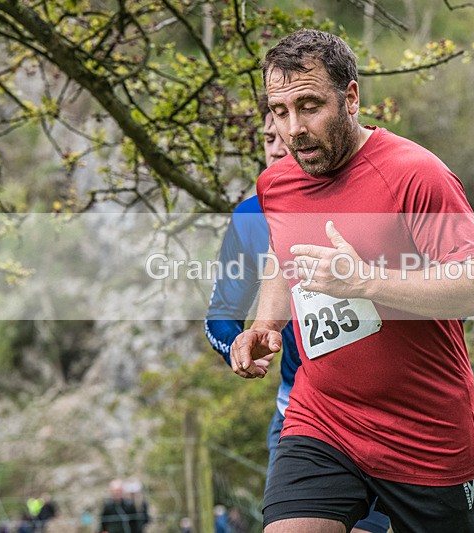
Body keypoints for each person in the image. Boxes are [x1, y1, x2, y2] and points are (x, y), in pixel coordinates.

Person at [231, 29, 474, 533]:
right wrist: (265, 323)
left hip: (426, 436)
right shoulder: (276, 183)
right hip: (324, 418)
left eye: (310, 106)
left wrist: (365, 281)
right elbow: (282, 255)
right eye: (280, 111)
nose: (294, 129)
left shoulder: (417, 175)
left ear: (350, 97)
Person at [204, 94, 390, 533]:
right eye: (268, 136)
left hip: (381, 409)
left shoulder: (363, 195)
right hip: (299, 413)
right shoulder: (249, 216)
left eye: (286, 133)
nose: (276, 144)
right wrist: (238, 341)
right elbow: (220, 313)